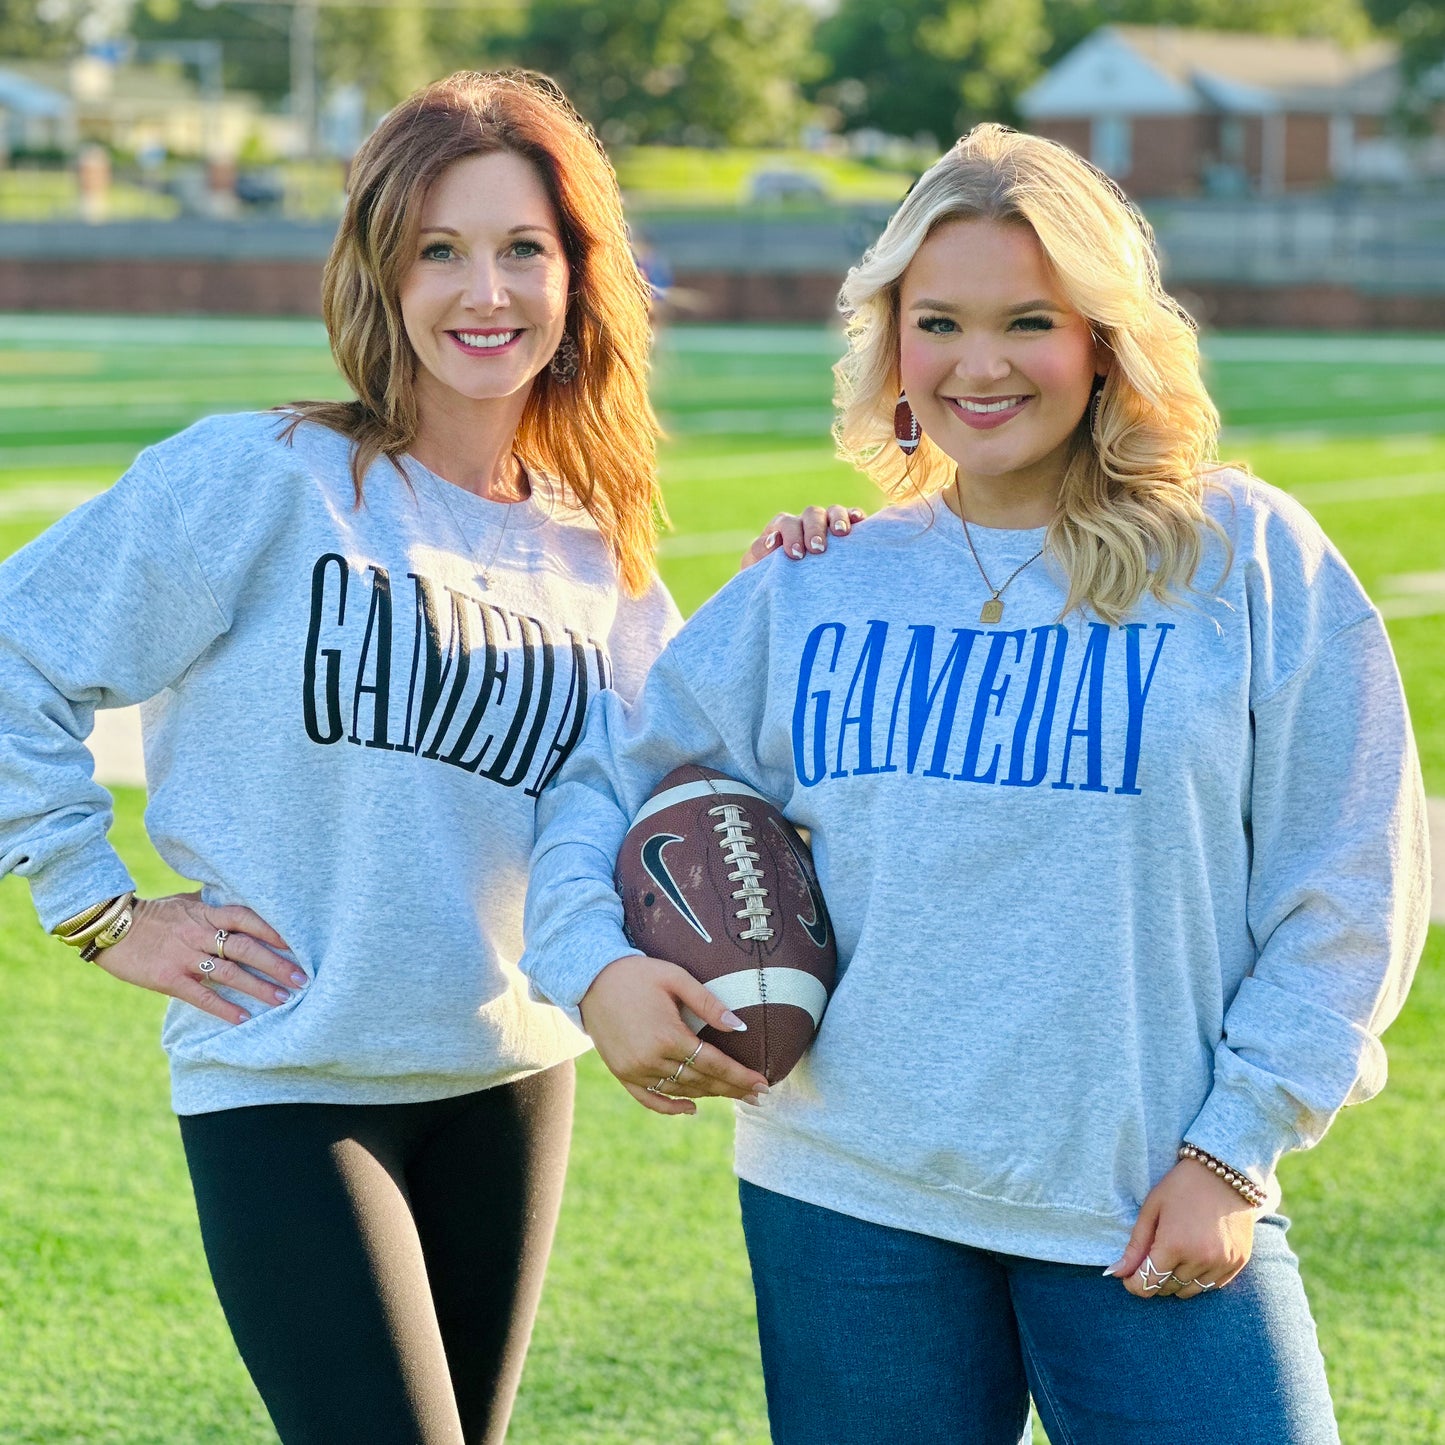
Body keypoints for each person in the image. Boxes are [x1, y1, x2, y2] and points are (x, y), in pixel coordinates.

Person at [521, 123, 1431, 1444]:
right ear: (890, 340)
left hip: (1138, 1196)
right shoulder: (816, 582)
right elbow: (606, 777)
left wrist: (1235, 1144)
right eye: (937, 322)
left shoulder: (1245, 560)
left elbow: (1346, 876)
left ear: (1105, 339)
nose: (980, 365)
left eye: (1028, 321)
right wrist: (592, 967)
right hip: (845, 1197)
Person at [0, 70, 849, 1445]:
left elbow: (693, 768)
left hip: (507, 1075)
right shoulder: (262, 479)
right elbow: (13, 650)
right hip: (289, 1077)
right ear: (381, 274)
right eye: (439, 250)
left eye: (524, 248)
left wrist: (792, 584)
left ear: (580, 276)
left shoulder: (592, 548)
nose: (485, 292)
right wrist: (95, 908)